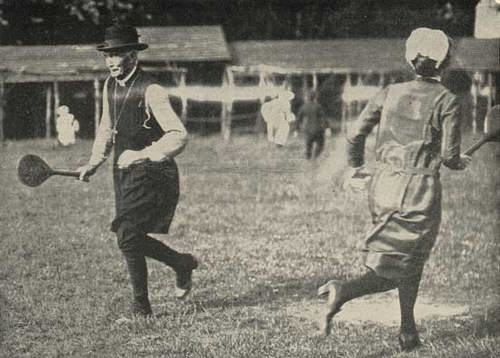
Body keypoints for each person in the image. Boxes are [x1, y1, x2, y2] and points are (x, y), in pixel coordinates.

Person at [317, 28, 471, 351]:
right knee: (404, 261)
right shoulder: (447, 100)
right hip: (419, 190)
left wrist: (357, 168)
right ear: (444, 63)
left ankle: (408, 332)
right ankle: (343, 291)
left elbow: (354, 135)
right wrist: (461, 162)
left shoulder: (388, 92)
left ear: (410, 59)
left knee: (407, 258)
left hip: (382, 185)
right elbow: (449, 156)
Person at [77, 24, 198, 317]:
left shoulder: (152, 90)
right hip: (125, 174)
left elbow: (178, 135)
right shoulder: (109, 85)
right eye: (107, 56)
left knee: (128, 235)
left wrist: (143, 154)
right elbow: (107, 127)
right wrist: (94, 162)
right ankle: (181, 263)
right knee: (126, 236)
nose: (110, 63)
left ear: (133, 56)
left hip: (156, 174)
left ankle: (141, 309)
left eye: (116, 56)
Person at [297, 91, 328, 159]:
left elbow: (299, 119)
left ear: (308, 97)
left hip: (308, 130)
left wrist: (297, 128)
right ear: (315, 97)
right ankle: (315, 158)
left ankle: (309, 162)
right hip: (318, 130)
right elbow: (324, 118)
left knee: (308, 148)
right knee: (321, 145)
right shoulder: (318, 106)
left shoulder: (304, 107)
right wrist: (327, 127)